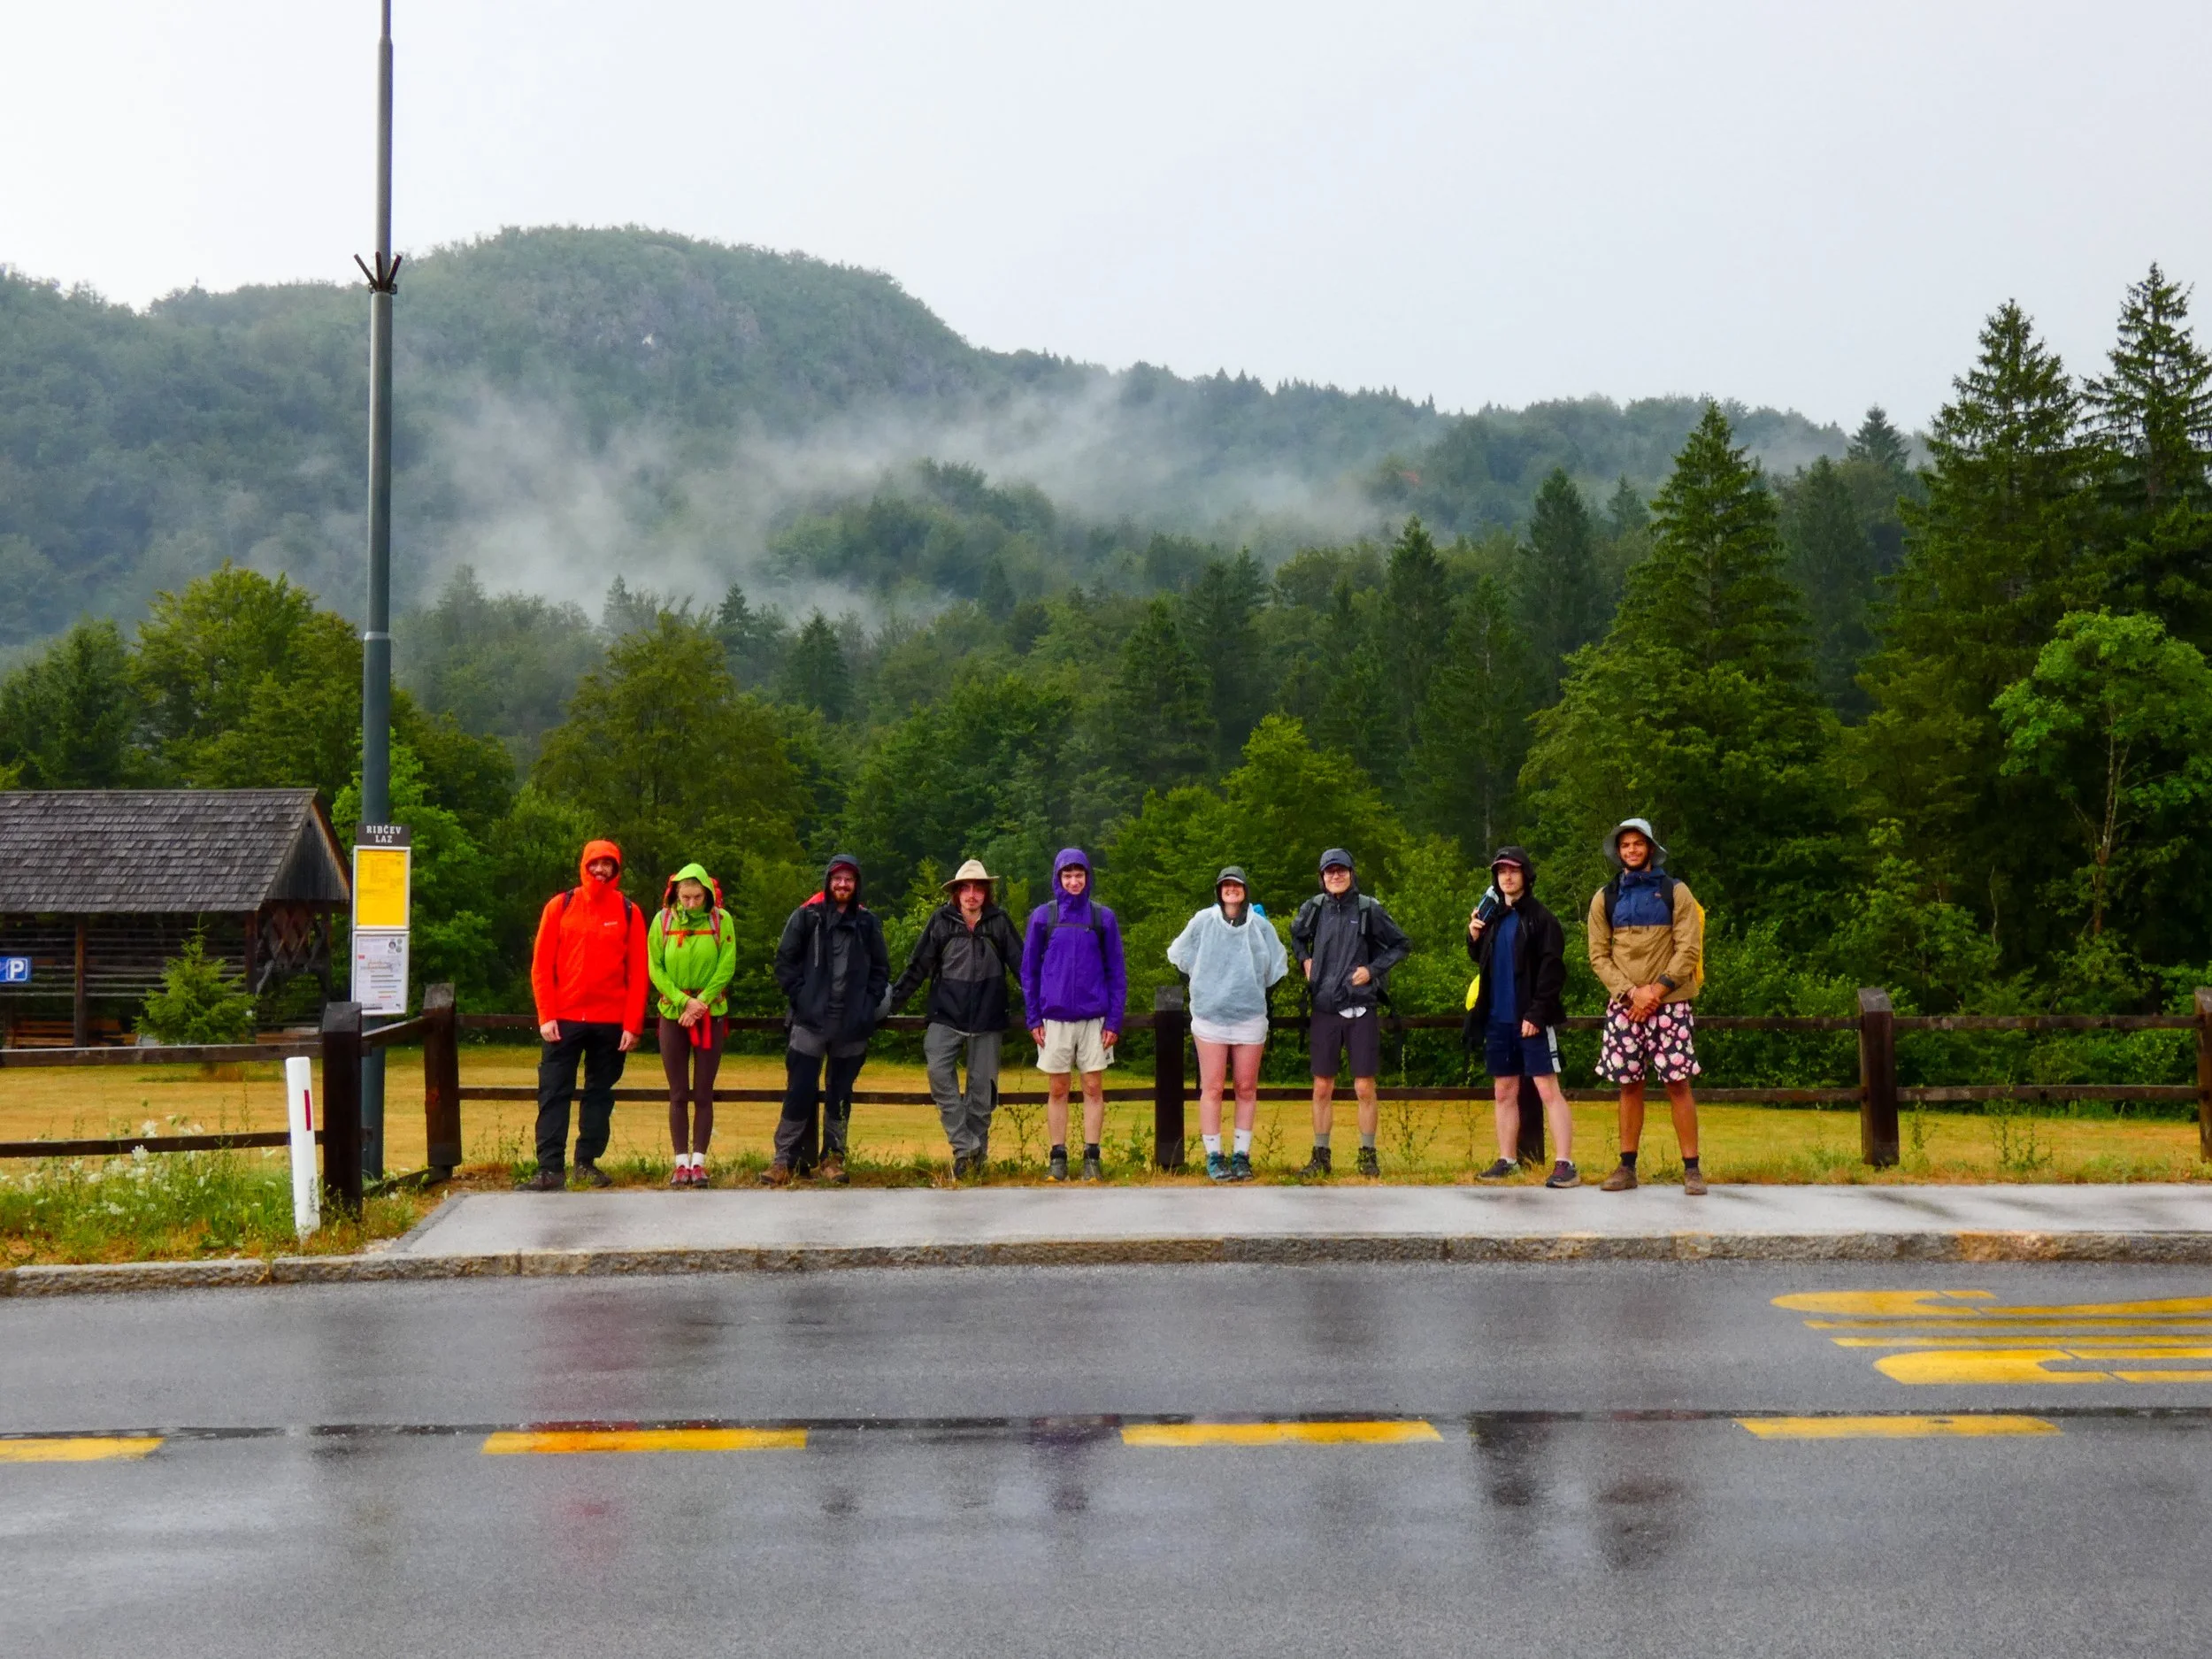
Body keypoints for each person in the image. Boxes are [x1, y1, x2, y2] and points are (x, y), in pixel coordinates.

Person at [1587, 818, 1709, 1195]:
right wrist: (1630, 994)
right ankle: (1627, 1168)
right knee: (1629, 1085)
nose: (1633, 850)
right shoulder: (1604, 897)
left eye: (1639, 844)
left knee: (1678, 1084)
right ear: (1618, 851)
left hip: (1670, 1004)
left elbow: (1689, 947)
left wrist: (1655, 991)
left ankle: (1692, 1169)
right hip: (1626, 1006)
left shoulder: (1677, 891)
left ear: (1651, 849)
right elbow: (1598, 956)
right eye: (1626, 845)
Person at [525, 839, 649, 1191]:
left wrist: (632, 1023)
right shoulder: (560, 906)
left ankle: (585, 1164)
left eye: (608, 864)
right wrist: (546, 1014)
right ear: (583, 865)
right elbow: (541, 966)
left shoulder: (628, 911)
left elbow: (638, 972)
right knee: (553, 1093)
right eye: (595, 863)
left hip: (610, 1022)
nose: (600, 870)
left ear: (616, 869)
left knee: (599, 1094)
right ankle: (550, 1170)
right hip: (562, 1020)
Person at [890, 858, 1025, 1179]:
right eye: (966, 887)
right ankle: (965, 1146)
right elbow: (918, 966)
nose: (972, 894)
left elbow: (1024, 969)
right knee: (939, 1074)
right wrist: (889, 1003)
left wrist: (1043, 1008)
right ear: (956, 892)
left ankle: (973, 1166)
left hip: (988, 1019)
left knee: (982, 1094)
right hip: (945, 1016)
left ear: (986, 893)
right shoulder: (941, 921)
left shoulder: (999, 922)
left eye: (979, 888)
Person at [769, 853, 889, 1187]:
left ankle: (832, 1159)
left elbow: (881, 970)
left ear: (857, 884)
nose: (842, 884)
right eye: (837, 878)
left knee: (840, 1094)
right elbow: (785, 961)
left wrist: (867, 1005)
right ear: (828, 881)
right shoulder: (807, 917)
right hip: (809, 1023)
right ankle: (784, 1161)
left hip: (851, 1026)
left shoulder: (868, 923)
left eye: (849, 879)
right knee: (799, 1091)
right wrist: (802, 997)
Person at [1290, 849, 1409, 1179]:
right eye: (1330, 872)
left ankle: (1368, 1156)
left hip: (1361, 1007)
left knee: (1364, 1086)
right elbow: (1296, 937)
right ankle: (1320, 1156)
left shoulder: (1369, 909)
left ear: (1352, 873)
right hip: (1324, 1008)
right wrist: (1305, 960)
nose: (1336, 876)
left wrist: (1372, 970)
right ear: (1322, 876)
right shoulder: (1313, 909)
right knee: (1322, 1086)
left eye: (1341, 870)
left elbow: (1401, 944)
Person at [1463, 846, 1578, 1187]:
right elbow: (1483, 961)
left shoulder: (1542, 919)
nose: (1508, 877)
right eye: (1501, 872)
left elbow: (1553, 971)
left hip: (1531, 1020)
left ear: (1526, 875)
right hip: (1498, 1019)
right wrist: (1473, 937)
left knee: (1547, 1089)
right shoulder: (1494, 918)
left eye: (1513, 870)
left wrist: (1538, 1013)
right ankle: (1508, 1160)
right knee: (1504, 1091)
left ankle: (1565, 1164)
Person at [1166, 866, 1288, 1181]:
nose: (1232, 890)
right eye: (1226, 885)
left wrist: (1252, 990)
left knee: (1246, 1088)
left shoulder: (1260, 926)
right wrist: (1204, 982)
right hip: (1210, 1018)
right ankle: (1214, 1156)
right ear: (1219, 890)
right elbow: (1179, 953)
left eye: (1237, 885)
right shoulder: (1204, 920)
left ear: (1246, 890)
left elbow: (1276, 965)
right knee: (1213, 1088)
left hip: (1249, 1018)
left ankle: (1241, 1155)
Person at [1021, 848, 1128, 1183]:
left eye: (1079, 875)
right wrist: (1033, 1017)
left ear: (1088, 877)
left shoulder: (1102, 918)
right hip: (1053, 1020)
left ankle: (1092, 1157)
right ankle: (1058, 1157)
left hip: (1094, 1020)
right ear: (1057, 878)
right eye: (1067, 875)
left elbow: (1117, 973)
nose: (1073, 881)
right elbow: (1029, 972)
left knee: (1094, 1087)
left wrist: (1114, 1020)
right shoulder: (1043, 916)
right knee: (1058, 1089)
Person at [648, 863, 735, 1187]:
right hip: (673, 1013)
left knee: (703, 1092)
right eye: (685, 897)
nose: (691, 903)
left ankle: (699, 1162)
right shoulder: (662, 921)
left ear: (708, 894)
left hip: (710, 1014)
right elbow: (655, 967)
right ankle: (679, 1163)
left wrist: (701, 1004)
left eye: (697, 897)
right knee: (677, 1092)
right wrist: (684, 1002)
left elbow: (727, 964)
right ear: (675, 893)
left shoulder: (722, 921)